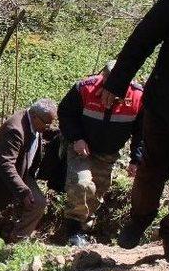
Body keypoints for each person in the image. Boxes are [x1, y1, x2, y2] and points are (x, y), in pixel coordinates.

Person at [99, 0, 169, 256]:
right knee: (152, 167)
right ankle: (139, 219)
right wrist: (117, 81)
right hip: (166, 102)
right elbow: (145, 34)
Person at [58, 61, 143, 246]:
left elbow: (141, 131)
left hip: (109, 153)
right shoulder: (84, 89)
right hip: (82, 148)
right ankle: (72, 232)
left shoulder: (138, 97)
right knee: (82, 185)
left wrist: (136, 159)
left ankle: (83, 229)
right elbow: (65, 113)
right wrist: (76, 138)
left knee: (97, 192)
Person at [0, 99, 58, 242]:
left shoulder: (34, 122)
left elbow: (42, 133)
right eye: (46, 123)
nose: (48, 127)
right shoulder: (15, 130)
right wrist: (23, 191)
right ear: (34, 117)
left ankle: (17, 241)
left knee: (38, 203)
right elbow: (6, 165)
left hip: (22, 172)